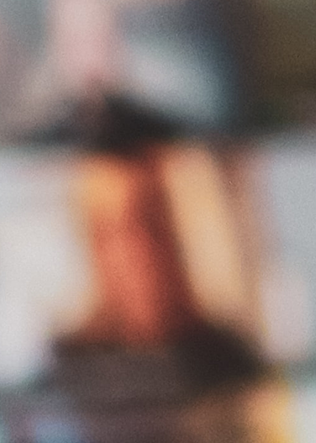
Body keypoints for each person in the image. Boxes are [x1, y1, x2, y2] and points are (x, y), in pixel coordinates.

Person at [52, 152, 264, 388]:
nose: (134, 247)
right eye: (110, 232)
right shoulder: (70, 365)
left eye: (149, 221)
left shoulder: (227, 358)